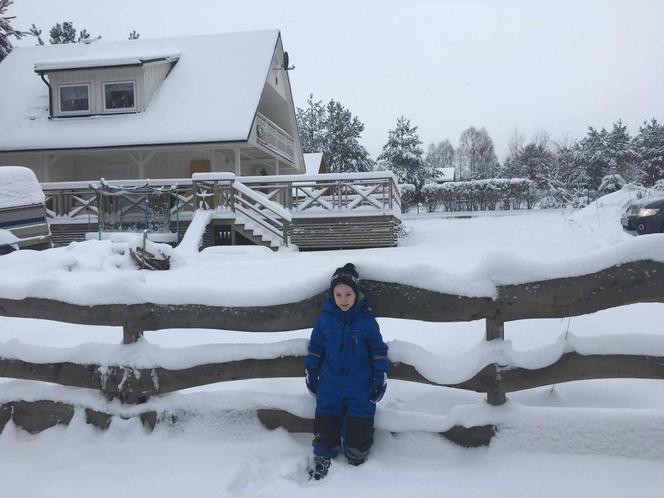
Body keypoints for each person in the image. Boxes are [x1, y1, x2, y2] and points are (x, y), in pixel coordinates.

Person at [305, 263, 389, 480]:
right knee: (326, 415)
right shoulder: (324, 320)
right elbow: (315, 347)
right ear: (332, 295)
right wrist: (311, 370)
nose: (343, 298)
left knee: (360, 415)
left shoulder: (366, 321)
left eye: (348, 293)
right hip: (330, 381)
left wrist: (380, 374)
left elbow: (378, 349)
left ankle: (356, 454)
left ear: (356, 293)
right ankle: (324, 453)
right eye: (339, 294)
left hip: (360, 381)